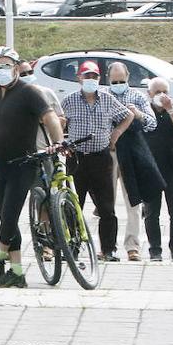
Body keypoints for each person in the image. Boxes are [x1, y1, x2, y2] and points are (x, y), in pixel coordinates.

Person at [0, 47, 65, 287]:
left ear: (17, 67)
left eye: (6, 65)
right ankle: (17, 271)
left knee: (9, 217)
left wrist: (58, 142)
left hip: (23, 164)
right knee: (4, 219)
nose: (2, 71)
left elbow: (50, 116)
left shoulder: (29, 92)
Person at [59, 60, 133, 263]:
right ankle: (72, 247)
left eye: (94, 76)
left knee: (107, 207)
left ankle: (108, 249)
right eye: (87, 76)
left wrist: (116, 132)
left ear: (99, 79)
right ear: (79, 78)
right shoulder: (69, 100)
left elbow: (128, 115)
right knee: (74, 205)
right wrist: (62, 139)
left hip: (101, 157)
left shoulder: (108, 99)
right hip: (77, 158)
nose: (90, 80)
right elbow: (59, 121)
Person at [106, 62, 162, 261]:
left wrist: (137, 114)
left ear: (128, 77)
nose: (118, 84)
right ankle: (108, 245)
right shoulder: (104, 96)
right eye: (115, 81)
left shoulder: (137, 96)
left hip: (132, 153)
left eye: (122, 81)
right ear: (108, 79)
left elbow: (152, 123)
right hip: (110, 152)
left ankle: (133, 246)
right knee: (106, 202)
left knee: (133, 202)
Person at [143, 78, 173, 262]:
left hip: (172, 166)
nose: (161, 95)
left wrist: (170, 109)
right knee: (151, 211)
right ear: (149, 94)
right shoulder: (145, 111)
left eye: (165, 91)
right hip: (150, 167)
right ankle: (155, 250)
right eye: (157, 92)